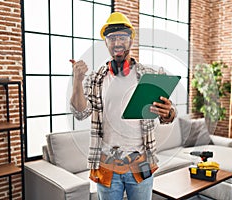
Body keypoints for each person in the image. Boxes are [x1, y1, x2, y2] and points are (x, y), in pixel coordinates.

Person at [70, 12, 176, 200]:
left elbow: (167, 115)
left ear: (131, 41)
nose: (117, 42)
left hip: (140, 162)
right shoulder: (95, 80)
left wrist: (169, 112)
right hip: (107, 164)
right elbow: (80, 113)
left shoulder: (148, 75)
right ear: (106, 42)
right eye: (112, 37)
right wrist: (77, 81)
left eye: (122, 37)